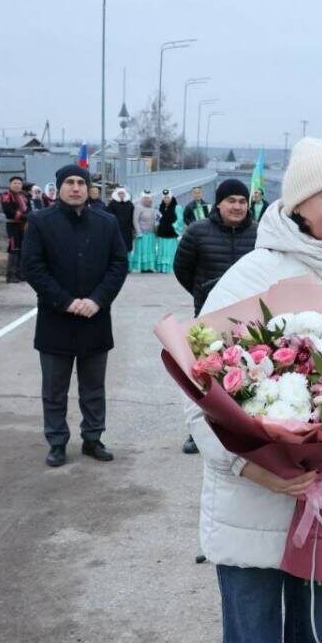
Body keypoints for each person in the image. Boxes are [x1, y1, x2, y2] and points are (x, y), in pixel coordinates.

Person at [190, 138, 322, 643]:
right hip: (252, 499)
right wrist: (249, 467)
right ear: (299, 202)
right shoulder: (252, 274)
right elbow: (199, 390)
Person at [20, 164, 128, 468]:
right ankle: (57, 442)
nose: (76, 187)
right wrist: (65, 301)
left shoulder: (107, 223)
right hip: (56, 319)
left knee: (93, 388)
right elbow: (33, 267)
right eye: (69, 182)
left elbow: (118, 264)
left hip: (95, 318)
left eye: (81, 182)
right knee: (54, 389)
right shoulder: (40, 222)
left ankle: (93, 438)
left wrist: (98, 300)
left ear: (88, 188)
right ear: (59, 188)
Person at [172, 178, 259, 455]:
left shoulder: (259, 234)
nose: (237, 206)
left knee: (248, 373)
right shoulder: (198, 232)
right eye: (231, 201)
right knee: (207, 376)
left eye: (242, 201)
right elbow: (182, 269)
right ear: (218, 204)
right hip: (208, 318)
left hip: (250, 319)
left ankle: (248, 432)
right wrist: (204, 293)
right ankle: (198, 433)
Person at [1, 175, 30, 283]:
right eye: (15, 183)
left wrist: (28, 216)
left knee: (23, 248)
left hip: (24, 225)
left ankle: (20, 274)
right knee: (13, 248)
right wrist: (24, 217)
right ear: (10, 184)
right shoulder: (6, 195)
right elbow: (8, 211)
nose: (17, 185)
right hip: (13, 224)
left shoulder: (23, 196)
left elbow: (28, 208)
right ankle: (10, 275)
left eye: (19, 183)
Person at [130, 191, 158, 273]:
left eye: (148, 198)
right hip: (142, 234)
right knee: (143, 251)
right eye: (145, 198)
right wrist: (138, 232)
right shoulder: (138, 207)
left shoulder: (152, 207)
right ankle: (142, 267)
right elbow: (135, 220)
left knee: (150, 251)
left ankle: (149, 267)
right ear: (142, 198)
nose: (147, 199)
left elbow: (155, 219)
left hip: (151, 233)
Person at [155, 189, 180, 274]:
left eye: (168, 197)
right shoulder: (160, 207)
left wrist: (173, 226)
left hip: (171, 235)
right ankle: (162, 268)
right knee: (162, 252)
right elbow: (157, 219)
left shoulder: (177, 207)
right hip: (162, 235)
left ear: (171, 197)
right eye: (165, 198)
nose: (166, 199)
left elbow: (180, 220)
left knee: (170, 252)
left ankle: (170, 268)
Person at [108, 187, 135, 256]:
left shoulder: (129, 204)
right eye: (119, 193)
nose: (121, 195)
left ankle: (127, 259)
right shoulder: (112, 204)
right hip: (116, 229)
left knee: (127, 246)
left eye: (122, 193)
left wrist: (133, 227)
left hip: (127, 229)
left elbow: (132, 216)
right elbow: (109, 216)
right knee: (116, 246)